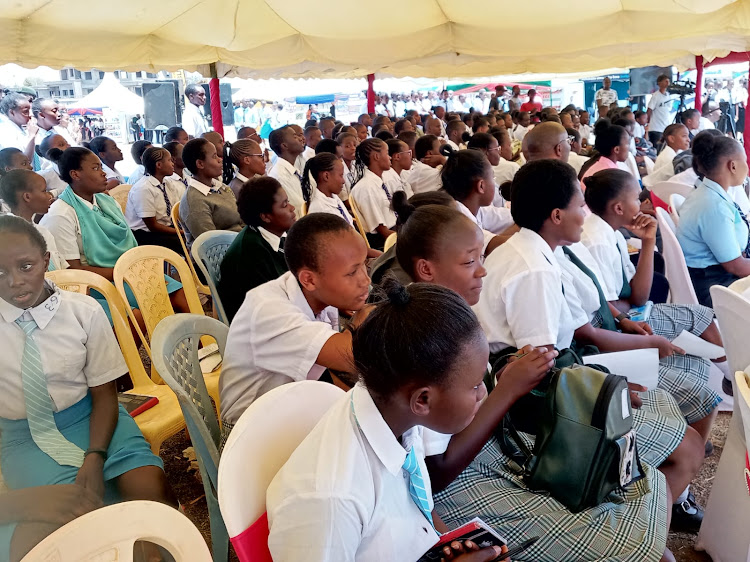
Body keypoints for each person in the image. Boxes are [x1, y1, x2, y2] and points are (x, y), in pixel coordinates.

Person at [465, 160, 688, 560]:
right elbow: (540, 371)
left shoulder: (534, 249)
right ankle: (641, 529)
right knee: (681, 444)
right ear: (556, 216)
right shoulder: (534, 269)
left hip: (552, 379)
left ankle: (653, 525)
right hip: (530, 410)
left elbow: (566, 340)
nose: (585, 214)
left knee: (672, 430)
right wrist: (606, 389)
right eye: (580, 206)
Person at [267, 278, 509, 562]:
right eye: (475, 385)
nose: (483, 393)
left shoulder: (393, 409)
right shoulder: (330, 502)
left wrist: (447, 546)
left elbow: (421, 508)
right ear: (422, 400)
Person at [0, 216, 178, 560]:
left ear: (46, 261)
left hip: (95, 418)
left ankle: (156, 553)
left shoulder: (83, 311)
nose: (15, 282)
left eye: (26, 266)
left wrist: (95, 457)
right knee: (74, 517)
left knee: (148, 488)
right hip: (25, 437)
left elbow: (104, 395)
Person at [582, 169, 722, 439]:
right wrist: (628, 312)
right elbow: (631, 302)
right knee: (701, 321)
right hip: (618, 326)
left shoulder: (611, 233)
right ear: (619, 207)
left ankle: (720, 390)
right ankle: (693, 438)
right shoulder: (596, 240)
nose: (643, 204)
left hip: (625, 316)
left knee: (699, 348)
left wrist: (648, 241)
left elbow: (637, 296)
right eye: (637, 198)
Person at [219, 213, 371, 434]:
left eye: (364, 265)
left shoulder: (317, 293)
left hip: (292, 405)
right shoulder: (270, 311)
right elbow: (351, 356)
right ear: (309, 279)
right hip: (251, 432)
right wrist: (366, 312)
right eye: (352, 272)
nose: (365, 279)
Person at [39, 148, 187, 322]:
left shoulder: (107, 201)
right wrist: (125, 272)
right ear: (75, 174)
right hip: (97, 280)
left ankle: (203, 344)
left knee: (179, 292)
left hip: (127, 270)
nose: (103, 174)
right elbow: (73, 269)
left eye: (101, 168)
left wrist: (136, 269)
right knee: (152, 301)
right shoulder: (62, 213)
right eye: (95, 168)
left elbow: (127, 241)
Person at [677, 132, 750, 307]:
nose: (747, 167)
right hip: (715, 288)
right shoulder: (713, 206)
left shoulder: (709, 193)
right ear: (732, 166)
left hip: (715, 277)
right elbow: (736, 267)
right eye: (745, 161)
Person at [218, 176, 295, 323]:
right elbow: (272, 308)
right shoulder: (251, 254)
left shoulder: (276, 236)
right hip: (260, 327)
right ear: (266, 217)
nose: (292, 208)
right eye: (284, 205)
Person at [441, 148, 515, 254]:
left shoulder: (475, 209)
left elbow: (509, 216)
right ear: (481, 186)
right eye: (492, 178)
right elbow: (495, 245)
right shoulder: (458, 219)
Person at [178, 138, 243, 247]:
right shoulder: (194, 200)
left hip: (239, 242)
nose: (220, 160)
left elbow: (241, 219)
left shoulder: (221, 187)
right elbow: (210, 243)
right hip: (218, 255)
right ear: (200, 164)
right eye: (214, 157)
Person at [0, 169, 66, 271]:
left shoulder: (42, 231)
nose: (49, 196)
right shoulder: (9, 235)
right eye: (44, 191)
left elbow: (59, 268)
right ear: (27, 197)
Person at [124, 147, 184, 254]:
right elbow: (153, 226)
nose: (172, 164)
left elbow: (174, 210)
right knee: (184, 243)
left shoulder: (167, 183)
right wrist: (180, 232)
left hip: (165, 227)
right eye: (169, 160)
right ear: (159, 165)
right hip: (144, 234)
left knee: (192, 237)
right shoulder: (143, 188)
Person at [349, 138, 402, 250]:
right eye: (387, 153)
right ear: (376, 156)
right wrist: (405, 239)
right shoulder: (366, 188)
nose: (390, 157)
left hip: (394, 230)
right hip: (383, 241)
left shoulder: (379, 181)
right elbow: (382, 230)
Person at [268, 126, 305, 219]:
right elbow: (300, 208)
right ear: (284, 146)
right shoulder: (280, 176)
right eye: (295, 137)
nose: (301, 139)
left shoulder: (294, 169)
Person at [0, 93, 37, 166]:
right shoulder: (5, 132)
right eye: (25, 111)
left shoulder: (23, 128)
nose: (30, 114)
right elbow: (23, 162)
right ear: (12, 112)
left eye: (30, 110)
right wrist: (32, 136)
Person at [647, 75, 675, 146]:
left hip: (665, 127)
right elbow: (649, 110)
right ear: (659, 83)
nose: (668, 83)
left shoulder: (668, 95)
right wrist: (647, 123)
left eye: (668, 81)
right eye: (666, 81)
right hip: (655, 128)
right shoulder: (655, 96)